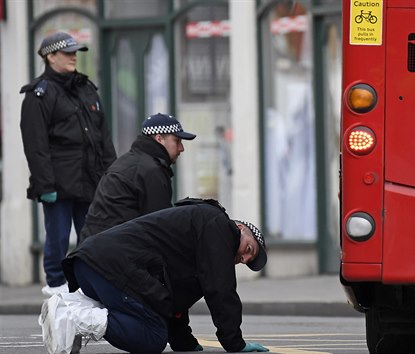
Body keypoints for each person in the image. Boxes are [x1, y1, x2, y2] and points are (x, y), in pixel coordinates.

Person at [38, 198, 269, 354]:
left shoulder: (203, 233)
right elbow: (221, 289)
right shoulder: (219, 227)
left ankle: (73, 304)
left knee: (154, 320)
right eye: (249, 250)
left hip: (91, 266)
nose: (245, 259)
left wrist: (183, 343)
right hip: (107, 267)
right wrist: (235, 344)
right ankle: (73, 316)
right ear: (239, 228)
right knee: (153, 335)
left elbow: (176, 299)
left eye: (246, 261)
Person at [19, 31, 117, 297]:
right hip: (58, 182)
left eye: (76, 52)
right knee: (59, 237)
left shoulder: (86, 88)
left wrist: (112, 175)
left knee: (93, 235)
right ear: (50, 56)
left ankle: (88, 282)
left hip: (90, 178)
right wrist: (45, 184)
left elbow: (103, 137)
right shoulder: (39, 95)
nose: (74, 57)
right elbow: (35, 145)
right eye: (67, 52)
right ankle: (55, 283)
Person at [79, 113, 196, 242]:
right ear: (159, 139)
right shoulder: (150, 170)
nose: (181, 148)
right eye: (177, 141)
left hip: (96, 247)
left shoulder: (135, 161)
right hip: (113, 251)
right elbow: (161, 227)